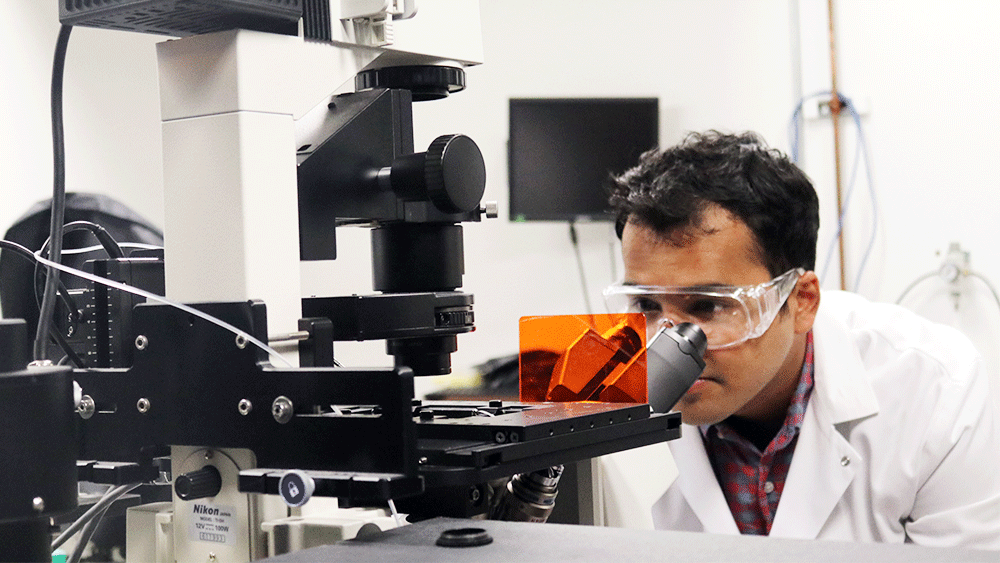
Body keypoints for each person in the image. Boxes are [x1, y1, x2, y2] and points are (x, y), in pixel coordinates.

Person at [600, 130, 1000, 548]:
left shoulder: (935, 389)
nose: (668, 344)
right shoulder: (604, 396)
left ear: (802, 301)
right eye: (647, 304)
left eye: (710, 306)